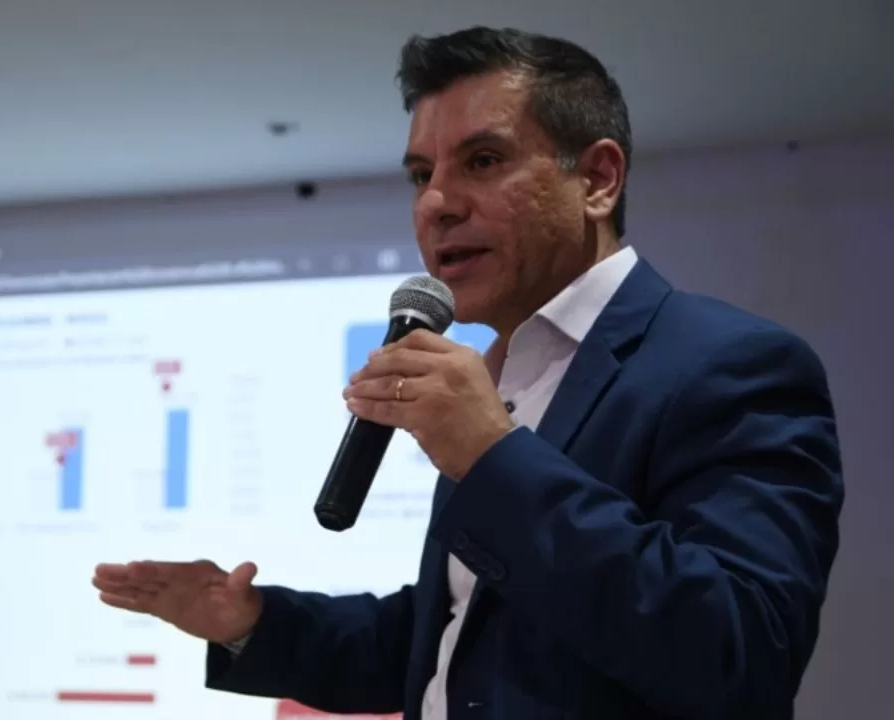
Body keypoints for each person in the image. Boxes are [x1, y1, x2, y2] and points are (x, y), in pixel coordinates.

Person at [92, 26, 844, 719]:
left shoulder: (732, 365)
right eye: (422, 174)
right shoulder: (498, 376)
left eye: (483, 161)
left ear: (597, 179)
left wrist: (492, 457)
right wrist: (253, 623)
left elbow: (742, 653)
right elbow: (455, 638)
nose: (437, 204)